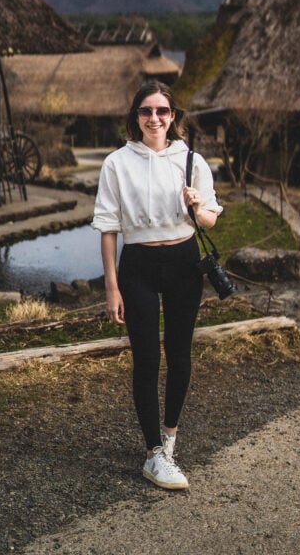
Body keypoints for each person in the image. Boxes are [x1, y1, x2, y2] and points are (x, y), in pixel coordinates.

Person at [92, 79, 222, 490]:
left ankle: (169, 441)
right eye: (146, 111)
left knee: (180, 354)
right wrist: (111, 287)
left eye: (162, 111)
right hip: (140, 264)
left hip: (183, 261)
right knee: (147, 359)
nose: (154, 118)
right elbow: (109, 228)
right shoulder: (117, 163)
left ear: (173, 117)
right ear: (136, 116)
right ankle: (152, 455)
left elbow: (209, 221)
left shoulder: (192, 161)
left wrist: (197, 205)